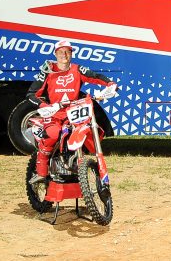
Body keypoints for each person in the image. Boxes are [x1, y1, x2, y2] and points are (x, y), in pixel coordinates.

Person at [27, 40, 118, 185]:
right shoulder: (48, 71)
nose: (64, 55)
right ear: (55, 54)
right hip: (55, 114)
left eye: (67, 51)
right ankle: (41, 172)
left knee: (89, 130)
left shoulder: (77, 69)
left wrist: (110, 84)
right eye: (61, 52)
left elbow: (95, 76)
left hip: (74, 113)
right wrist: (45, 106)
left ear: (71, 54)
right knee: (52, 134)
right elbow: (31, 94)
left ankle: (77, 166)